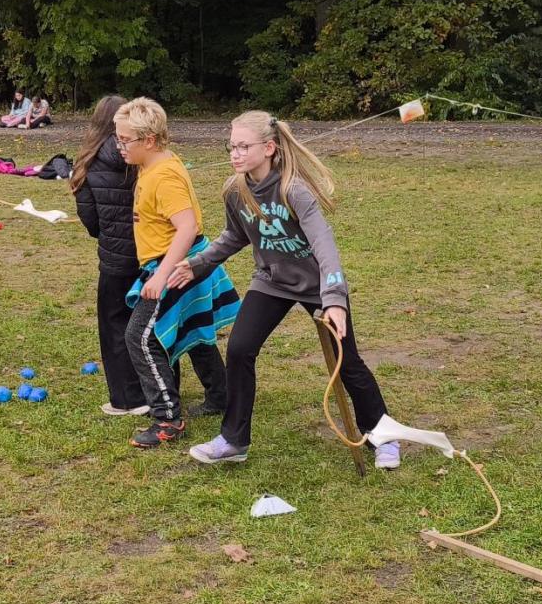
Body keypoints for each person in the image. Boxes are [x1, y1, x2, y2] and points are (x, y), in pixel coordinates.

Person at [169, 112, 402, 469]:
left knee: (347, 362)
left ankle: (382, 435)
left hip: (318, 286)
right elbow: (235, 235)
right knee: (240, 349)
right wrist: (200, 263)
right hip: (272, 281)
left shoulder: (293, 189)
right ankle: (233, 440)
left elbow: (324, 244)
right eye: (231, 147)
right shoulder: (235, 190)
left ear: (269, 148)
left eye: (243, 147)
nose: (235, 154)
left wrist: (334, 299)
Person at [113, 96, 236, 448]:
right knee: (193, 329)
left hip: (177, 266)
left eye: (125, 140)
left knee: (141, 338)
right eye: (118, 138)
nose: (120, 146)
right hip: (179, 262)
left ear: (149, 140)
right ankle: (220, 396)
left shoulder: (163, 175)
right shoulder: (153, 164)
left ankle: (167, 419)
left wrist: (161, 275)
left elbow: (187, 226)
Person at [71, 95, 148, 416]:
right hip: (149, 256)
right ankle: (154, 391)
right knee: (150, 323)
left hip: (120, 260)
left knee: (116, 325)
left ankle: (129, 398)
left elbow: (90, 221)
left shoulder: (88, 163)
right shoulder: (144, 156)